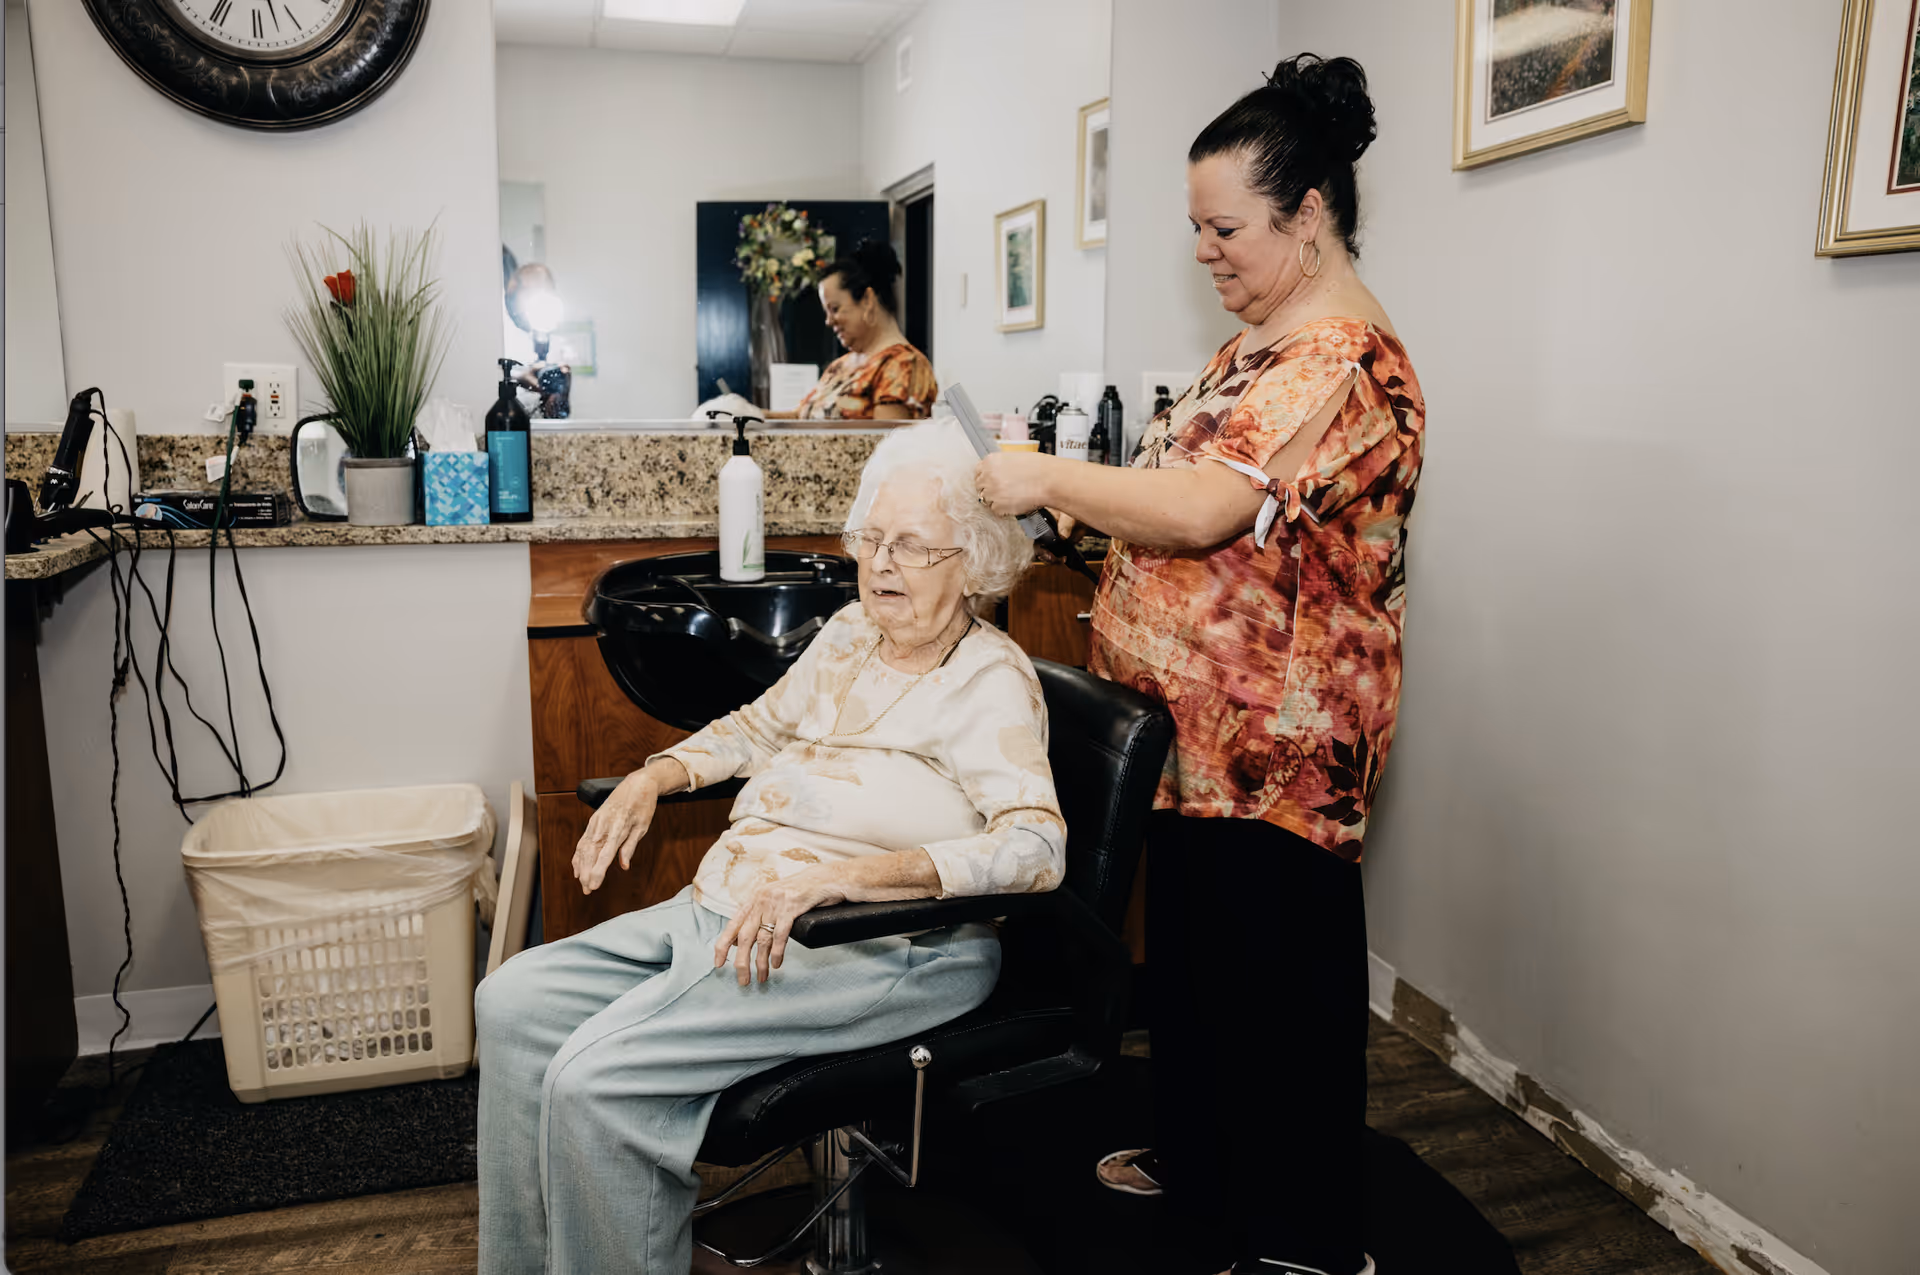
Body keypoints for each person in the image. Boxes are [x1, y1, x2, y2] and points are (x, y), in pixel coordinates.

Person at [975, 54, 1422, 1275]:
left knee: (1281, 999)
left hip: (1279, 752)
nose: (1206, 253)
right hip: (1196, 742)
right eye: (1196, 229)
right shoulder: (1260, 343)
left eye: (1226, 229)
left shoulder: (1338, 363)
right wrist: (1080, 522)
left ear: (1310, 212)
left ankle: (1305, 1238)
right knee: (1202, 985)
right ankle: (1211, 1171)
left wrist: (1046, 477)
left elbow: (1206, 512)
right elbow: (1172, 501)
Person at [474, 420, 1062, 1275]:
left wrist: (851, 879)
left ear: (972, 560)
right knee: (512, 1002)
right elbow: (757, 727)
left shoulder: (990, 681)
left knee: (593, 1082)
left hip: (881, 943)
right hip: (733, 908)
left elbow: (1036, 846)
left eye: (910, 546)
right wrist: (656, 774)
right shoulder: (851, 634)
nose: (880, 564)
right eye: (869, 538)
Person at [770, 239, 936, 422]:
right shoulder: (839, 367)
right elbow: (800, 416)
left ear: (867, 300)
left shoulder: (903, 365)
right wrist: (750, 416)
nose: (828, 321)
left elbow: (885, 443)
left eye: (835, 309)